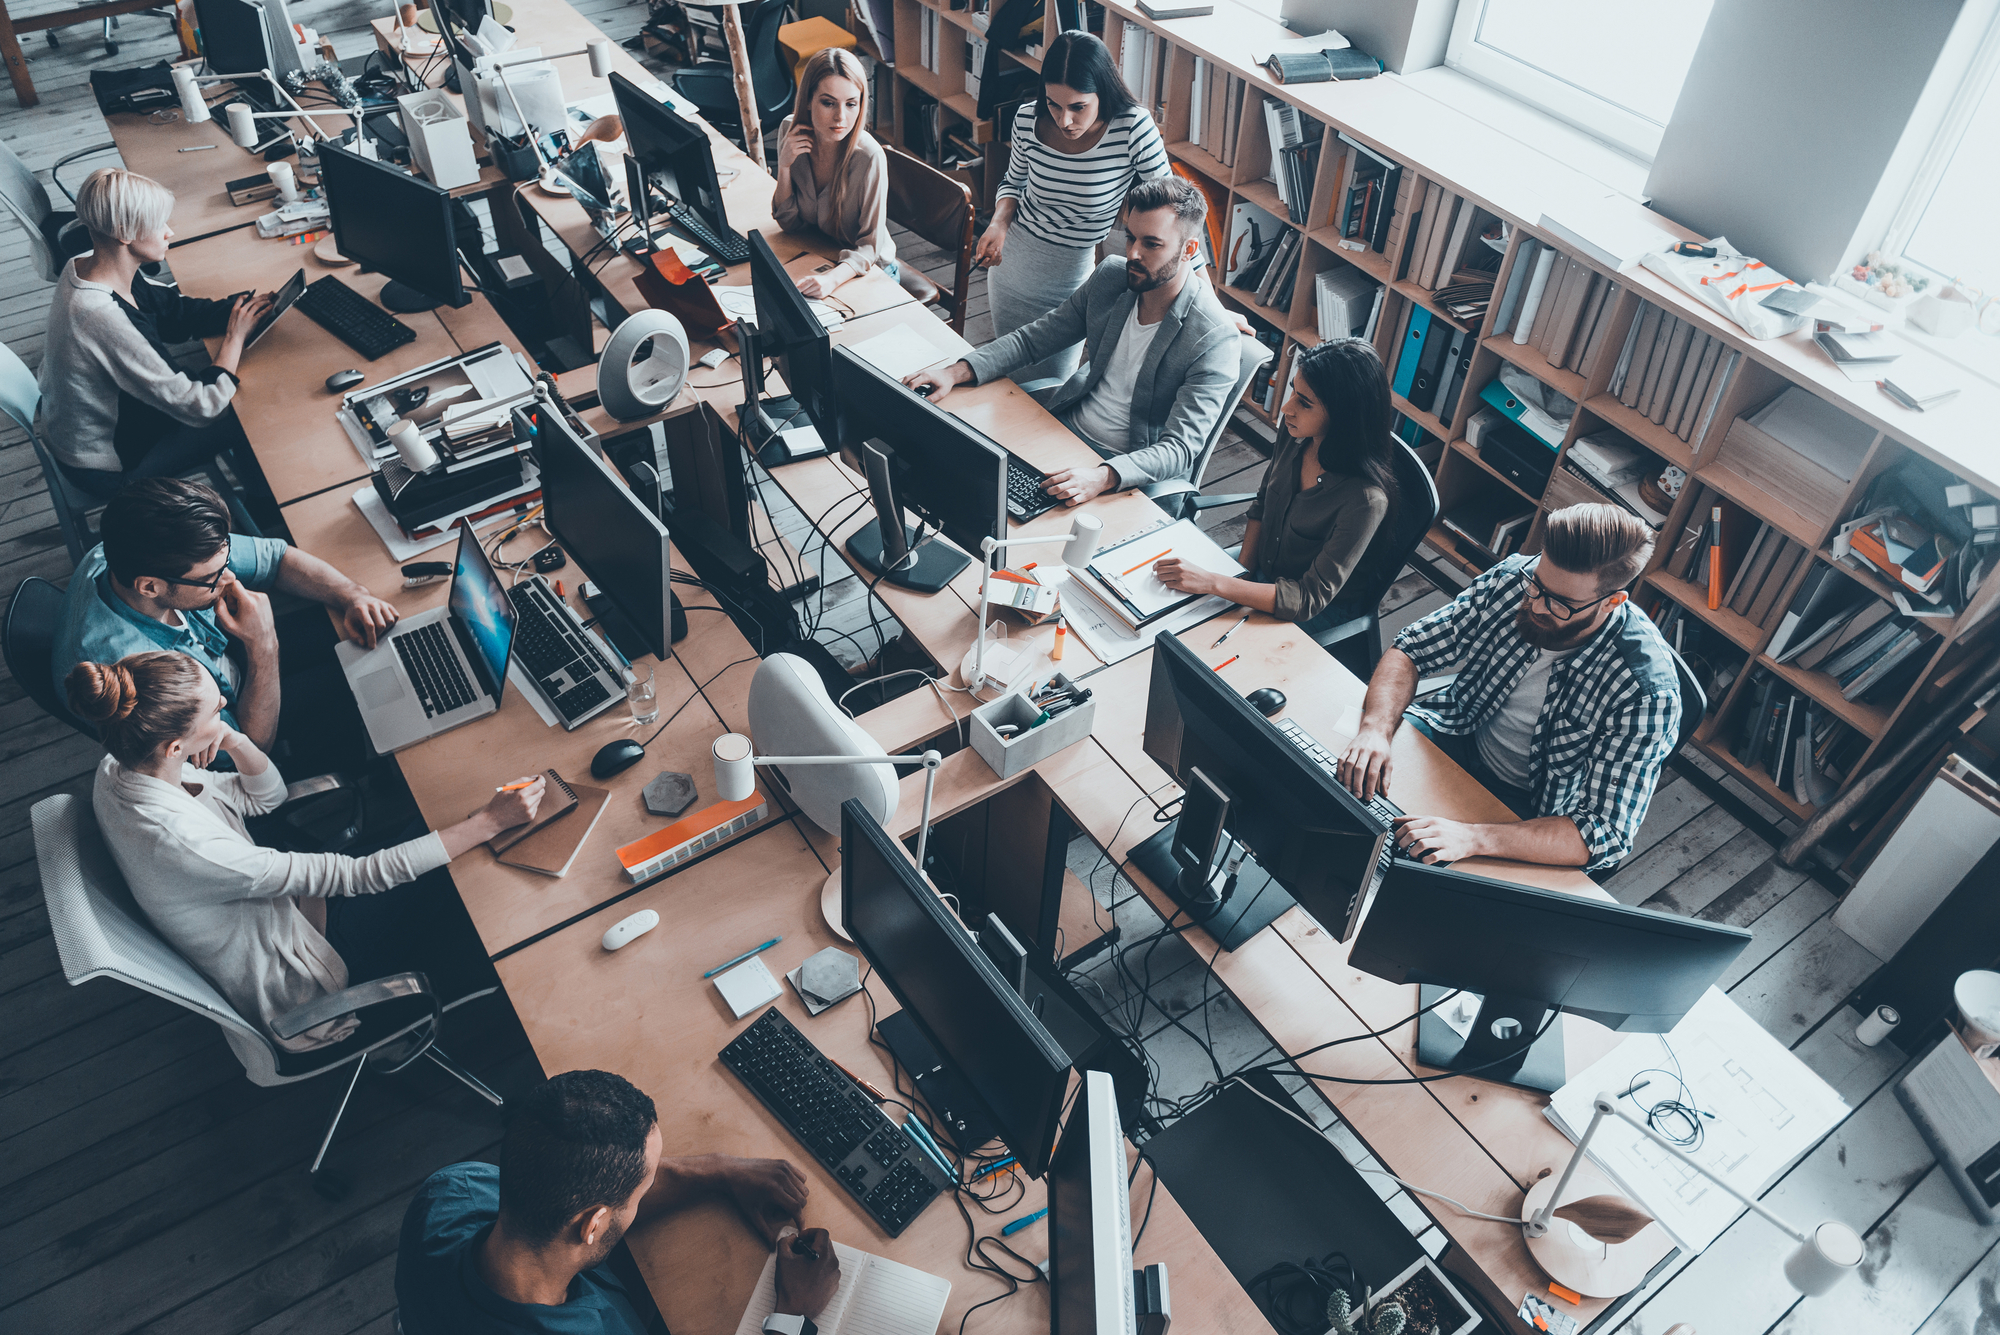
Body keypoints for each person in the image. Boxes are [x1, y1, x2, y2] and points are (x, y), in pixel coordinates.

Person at [69, 651, 546, 1063]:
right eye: (217, 710)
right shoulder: (186, 843)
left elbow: (267, 798)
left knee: (444, 832)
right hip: (305, 971)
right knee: (468, 861)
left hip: (280, 912)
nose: (226, 709)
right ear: (176, 747)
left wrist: (234, 739)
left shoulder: (127, 762)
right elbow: (360, 875)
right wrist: (489, 822)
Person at [1336, 503, 1681, 871]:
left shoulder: (1646, 693)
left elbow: (1604, 833)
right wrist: (1375, 729)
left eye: (1562, 603)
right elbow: (1412, 649)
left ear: (1612, 602)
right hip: (1454, 732)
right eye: (1537, 584)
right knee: (1340, 787)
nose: (1537, 606)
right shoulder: (1514, 579)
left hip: (1530, 808)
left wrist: (1473, 838)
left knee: (1410, 874)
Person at [398, 1068, 840, 1335]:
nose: (646, 1192)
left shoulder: (453, 1189)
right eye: (641, 1192)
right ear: (592, 1224)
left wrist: (719, 1170)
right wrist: (792, 1313)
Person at [905, 177, 1240, 506]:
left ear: (1188, 250)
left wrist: (1103, 476)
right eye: (1130, 238)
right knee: (948, 471)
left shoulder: (1214, 338)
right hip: (1064, 432)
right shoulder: (1113, 277)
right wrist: (954, 372)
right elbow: (1033, 340)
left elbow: (1180, 448)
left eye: (1152, 244)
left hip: (1124, 474)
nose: (1133, 254)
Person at [50, 477, 400, 761]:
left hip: (225, 662)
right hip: (230, 722)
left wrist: (352, 594)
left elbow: (274, 557)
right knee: (363, 681)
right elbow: (249, 749)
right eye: (211, 578)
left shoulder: (134, 547)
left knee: (372, 641)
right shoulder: (140, 675)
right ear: (151, 587)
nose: (230, 578)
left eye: (226, 562)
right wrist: (263, 644)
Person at [39, 168, 279, 503]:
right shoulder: (101, 316)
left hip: (82, 426)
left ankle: (259, 496)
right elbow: (202, 406)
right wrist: (234, 338)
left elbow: (174, 314)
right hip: (104, 467)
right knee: (243, 413)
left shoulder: (88, 264)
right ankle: (266, 506)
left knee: (230, 388)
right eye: (158, 224)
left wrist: (238, 309)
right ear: (125, 233)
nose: (169, 231)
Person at [1154, 338, 1398, 636]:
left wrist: (1215, 583)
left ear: (1344, 415)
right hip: (1259, 571)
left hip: (1310, 608)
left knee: (1198, 640)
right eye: (1294, 390)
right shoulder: (1296, 432)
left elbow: (1308, 599)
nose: (1286, 408)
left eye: (1304, 403)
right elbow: (1263, 503)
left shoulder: (1365, 501)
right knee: (1164, 606)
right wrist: (1241, 575)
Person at [979, 30, 1170, 383]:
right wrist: (999, 223)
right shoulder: (1027, 119)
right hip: (1011, 271)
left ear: (1103, 92)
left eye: (1077, 107)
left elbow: (1174, 213)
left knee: (1049, 391)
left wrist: (1205, 296)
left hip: (1070, 286)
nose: (1063, 120)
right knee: (1007, 383)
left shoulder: (1132, 127)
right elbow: (1013, 183)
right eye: (1053, 104)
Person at [771, 48, 925, 301]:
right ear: (808, 100)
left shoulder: (869, 157)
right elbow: (788, 223)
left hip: (869, 270)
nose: (840, 117)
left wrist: (830, 280)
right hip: (822, 253)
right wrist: (785, 166)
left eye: (851, 104)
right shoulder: (791, 131)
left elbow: (869, 248)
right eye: (828, 103)